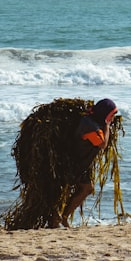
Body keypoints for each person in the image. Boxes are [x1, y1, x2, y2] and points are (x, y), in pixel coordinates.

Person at [51, 98, 119, 228]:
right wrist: (107, 125)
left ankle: (62, 218)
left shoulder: (91, 120)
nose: (113, 117)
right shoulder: (90, 126)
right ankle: (58, 219)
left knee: (82, 188)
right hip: (74, 162)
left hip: (80, 163)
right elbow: (102, 144)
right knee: (76, 189)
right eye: (112, 115)